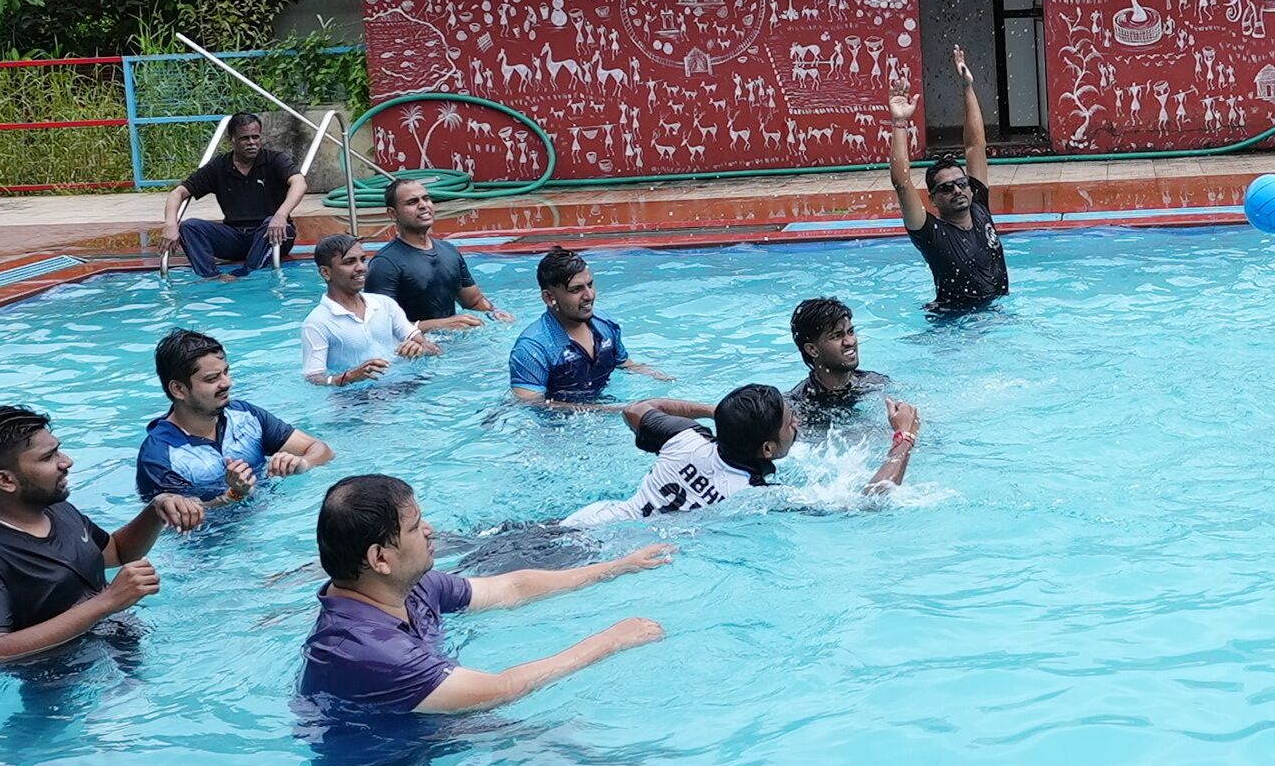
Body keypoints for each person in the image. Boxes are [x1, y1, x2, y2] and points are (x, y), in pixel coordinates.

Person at [295, 474, 670, 719]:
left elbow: (510, 588)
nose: (430, 531)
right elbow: (501, 689)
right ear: (380, 558)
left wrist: (619, 566)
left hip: (427, 717)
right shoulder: (367, 651)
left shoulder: (407, 586)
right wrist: (612, 640)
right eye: (414, 527)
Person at [0, 404, 205, 666]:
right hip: (62, 682)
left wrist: (154, 511)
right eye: (48, 457)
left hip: (121, 646)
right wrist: (107, 602)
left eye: (58, 449)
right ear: (5, 480)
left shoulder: (59, 510)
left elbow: (116, 552)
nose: (66, 461)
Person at [592, 381, 921, 521]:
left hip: (594, 521)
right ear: (767, 449)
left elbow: (636, 408)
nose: (799, 425)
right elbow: (868, 504)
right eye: (790, 423)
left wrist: (715, 411)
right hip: (623, 553)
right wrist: (904, 437)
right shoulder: (757, 495)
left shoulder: (685, 437)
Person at [137, 328, 333, 503]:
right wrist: (233, 496)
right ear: (178, 389)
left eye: (226, 372)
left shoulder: (245, 415)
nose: (227, 383)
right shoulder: (159, 457)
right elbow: (174, 525)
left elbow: (322, 450)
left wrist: (302, 464)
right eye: (212, 378)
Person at [508, 249, 706, 415]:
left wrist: (663, 378)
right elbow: (531, 404)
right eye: (576, 290)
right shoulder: (532, 348)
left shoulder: (605, 326)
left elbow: (626, 365)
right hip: (554, 429)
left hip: (602, 406)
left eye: (590, 284)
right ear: (549, 297)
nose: (590, 295)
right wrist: (606, 409)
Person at [890, 47, 1011, 312]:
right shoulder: (931, 233)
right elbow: (902, 182)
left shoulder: (978, 205)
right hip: (953, 325)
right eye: (946, 188)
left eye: (961, 183)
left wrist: (968, 88)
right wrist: (900, 123)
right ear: (932, 198)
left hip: (997, 312)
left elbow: (975, 146)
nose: (957, 190)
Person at [165, 116, 303, 279]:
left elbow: (299, 183)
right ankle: (211, 277)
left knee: (271, 224)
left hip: (273, 233)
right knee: (189, 227)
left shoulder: (274, 160)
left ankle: (244, 275)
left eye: (256, 137)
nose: (252, 142)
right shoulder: (219, 166)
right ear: (232, 140)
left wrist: (281, 216)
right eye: (245, 138)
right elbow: (178, 193)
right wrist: (170, 224)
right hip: (235, 236)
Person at [300, 235, 438, 386]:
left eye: (362, 260)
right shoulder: (316, 323)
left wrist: (419, 349)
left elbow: (433, 349)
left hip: (403, 386)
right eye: (349, 262)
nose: (361, 267)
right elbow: (313, 378)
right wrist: (349, 377)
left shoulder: (385, 304)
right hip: (355, 399)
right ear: (326, 272)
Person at [364, 180, 501, 331]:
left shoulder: (450, 251)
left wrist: (494, 313)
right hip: (414, 348)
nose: (423, 205)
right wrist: (439, 324)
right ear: (392, 213)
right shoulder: (385, 264)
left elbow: (474, 301)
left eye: (426, 198)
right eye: (412, 202)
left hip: (454, 342)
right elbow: (379, 326)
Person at [789, 298, 894, 423]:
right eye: (837, 336)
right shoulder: (796, 407)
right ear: (812, 350)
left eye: (850, 332)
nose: (850, 342)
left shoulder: (876, 383)